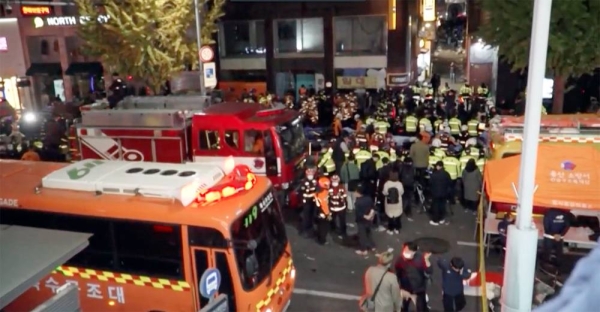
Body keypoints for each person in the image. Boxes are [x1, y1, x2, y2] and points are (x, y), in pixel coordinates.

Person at [395, 242, 433, 312]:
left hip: (419, 288)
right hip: (405, 288)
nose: (405, 252)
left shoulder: (420, 259)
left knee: (421, 308)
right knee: (403, 306)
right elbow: (398, 274)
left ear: (414, 252)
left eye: (407, 250)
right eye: (405, 250)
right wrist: (399, 288)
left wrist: (426, 260)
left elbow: (429, 271)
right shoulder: (400, 259)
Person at [355, 184, 376, 256]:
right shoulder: (369, 198)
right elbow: (372, 207)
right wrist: (370, 215)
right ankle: (372, 246)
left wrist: (366, 216)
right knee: (369, 233)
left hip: (361, 221)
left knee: (362, 235)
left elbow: (359, 214)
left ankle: (364, 250)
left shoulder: (358, 202)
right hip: (369, 220)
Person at [429, 161, 452, 226]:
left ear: (438, 166)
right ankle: (442, 219)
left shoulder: (434, 174)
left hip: (436, 192)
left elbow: (430, 183)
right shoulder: (446, 174)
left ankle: (435, 220)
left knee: (436, 206)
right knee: (442, 206)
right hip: (444, 192)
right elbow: (450, 182)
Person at [299, 167, 318, 238]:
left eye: (312, 174)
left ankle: (310, 228)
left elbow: (316, 190)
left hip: (313, 201)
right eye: (309, 174)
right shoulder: (303, 182)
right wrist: (311, 194)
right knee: (306, 216)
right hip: (306, 202)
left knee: (312, 215)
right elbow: (303, 193)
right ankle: (304, 230)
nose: (311, 175)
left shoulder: (315, 181)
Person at [315, 176, 332, 245]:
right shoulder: (323, 193)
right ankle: (322, 240)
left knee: (320, 226)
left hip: (319, 211)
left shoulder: (317, 192)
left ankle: (320, 239)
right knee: (324, 226)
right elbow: (324, 205)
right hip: (323, 212)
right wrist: (328, 214)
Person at [400, 157, 416, 221]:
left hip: (403, 185)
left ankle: (400, 211)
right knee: (409, 199)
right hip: (410, 185)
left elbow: (400, 175)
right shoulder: (412, 168)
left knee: (403, 199)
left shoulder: (401, 167)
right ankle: (408, 213)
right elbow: (414, 176)